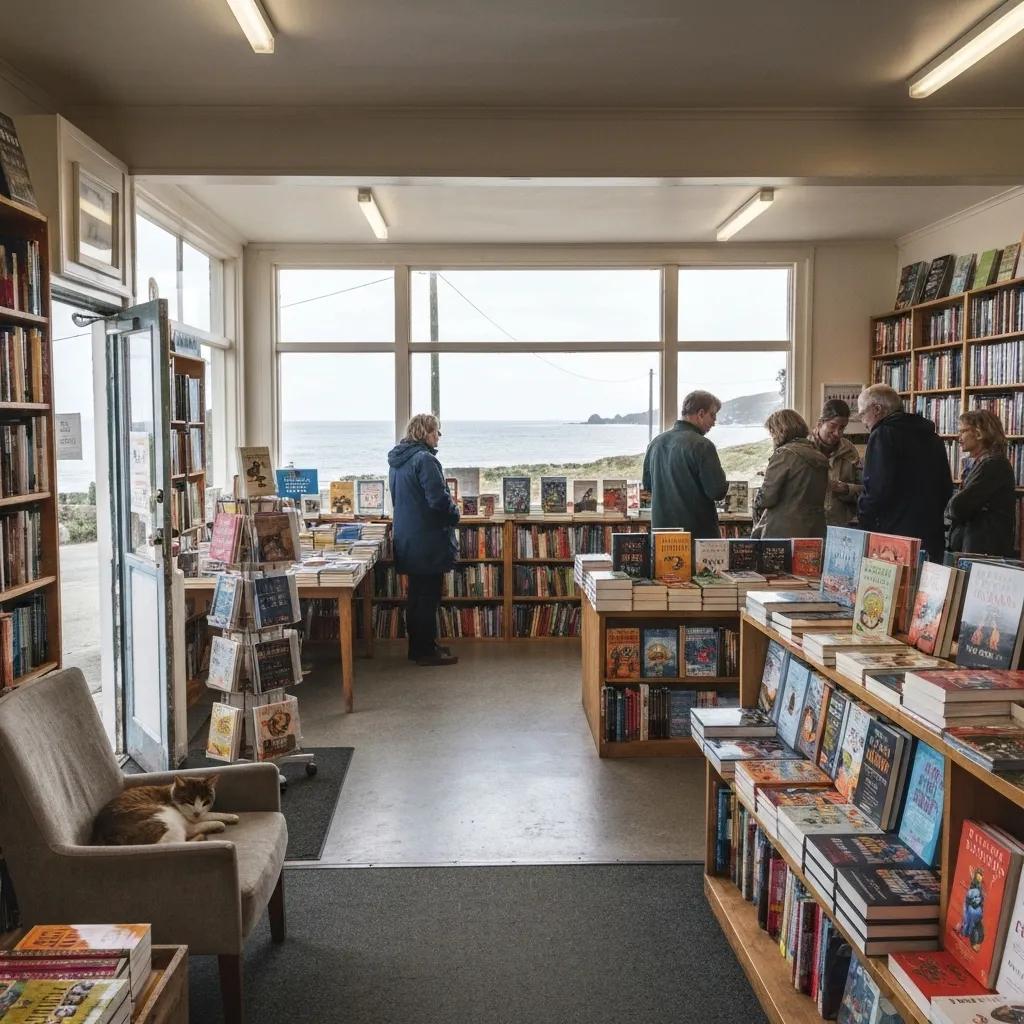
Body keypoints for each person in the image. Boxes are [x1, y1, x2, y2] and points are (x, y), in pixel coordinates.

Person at [387, 413, 460, 666]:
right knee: (428, 597)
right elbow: (438, 501)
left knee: (417, 596)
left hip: (407, 538)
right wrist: (455, 514)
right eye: (436, 431)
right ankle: (426, 651)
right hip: (427, 539)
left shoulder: (398, 461)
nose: (439, 436)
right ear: (426, 433)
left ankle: (419, 648)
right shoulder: (425, 459)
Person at [857, 383, 952, 561]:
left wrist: (863, 518)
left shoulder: (883, 434)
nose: (863, 422)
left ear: (877, 409)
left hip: (894, 540)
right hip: (931, 535)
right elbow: (946, 488)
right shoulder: (933, 437)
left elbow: (877, 489)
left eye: (862, 414)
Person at [642, 389, 728, 536]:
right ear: (701, 414)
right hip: (697, 534)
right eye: (712, 415)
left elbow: (648, 485)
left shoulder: (655, 443)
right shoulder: (703, 445)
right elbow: (717, 491)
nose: (714, 422)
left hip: (662, 534)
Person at [946, 409, 1017, 556]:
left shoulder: (993, 464)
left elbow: (957, 507)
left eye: (963, 431)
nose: (959, 437)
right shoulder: (982, 463)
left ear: (979, 433)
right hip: (976, 550)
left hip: (984, 553)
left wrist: (952, 507)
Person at [752, 409, 828, 539]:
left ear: (779, 431)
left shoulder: (784, 454)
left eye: (772, 432)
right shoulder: (819, 456)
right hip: (814, 530)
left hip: (782, 531)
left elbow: (767, 497)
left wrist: (756, 502)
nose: (772, 437)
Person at [811, 398, 863, 528]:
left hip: (841, 526)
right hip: (808, 526)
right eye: (833, 426)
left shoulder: (850, 450)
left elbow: (865, 490)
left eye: (842, 428)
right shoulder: (803, 449)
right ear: (820, 423)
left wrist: (846, 489)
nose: (837, 433)